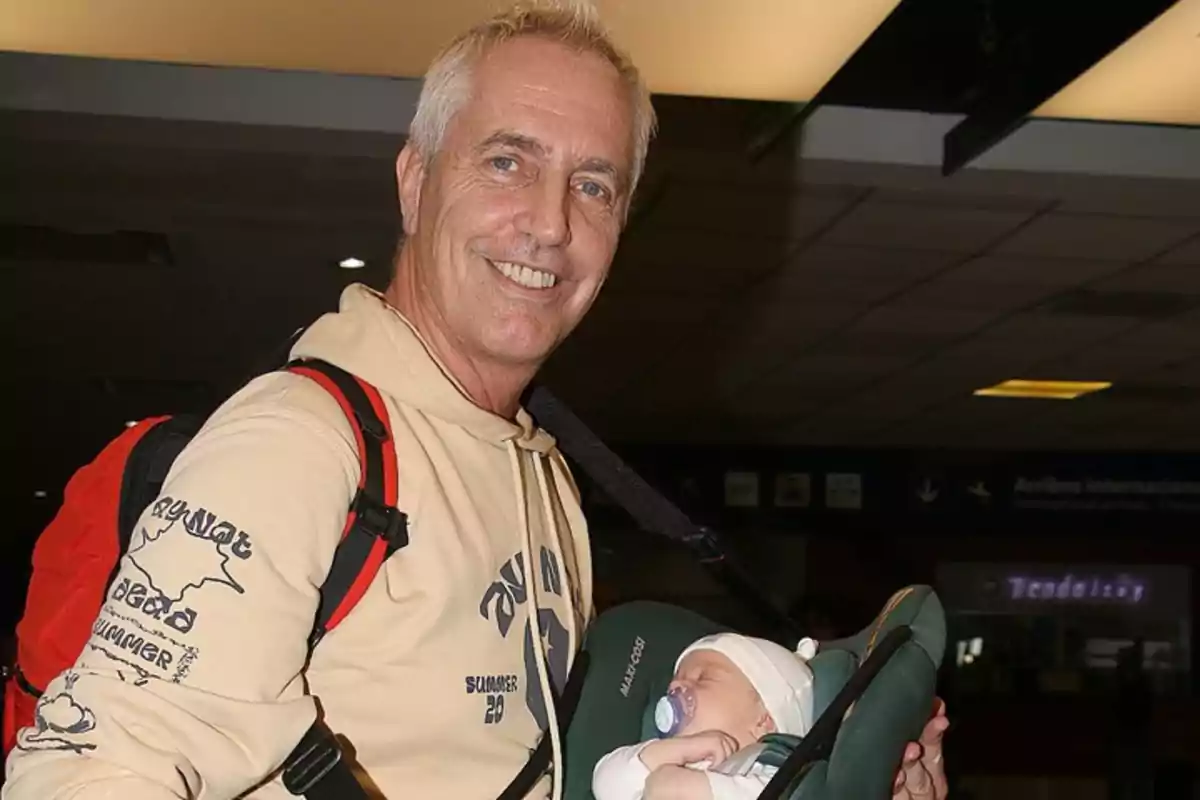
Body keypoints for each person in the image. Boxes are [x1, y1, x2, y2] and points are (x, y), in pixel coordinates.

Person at [2, 3, 950, 799]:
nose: (548, 222)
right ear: (416, 183)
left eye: (594, 185)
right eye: (507, 163)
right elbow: (91, 766)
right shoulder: (299, 447)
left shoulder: (542, 483)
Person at [592, 633, 818, 800]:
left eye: (703, 678)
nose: (675, 685)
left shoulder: (770, 777)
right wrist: (677, 750)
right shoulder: (671, 758)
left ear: (763, 720)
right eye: (674, 683)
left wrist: (676, 787)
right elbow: (605, 784)